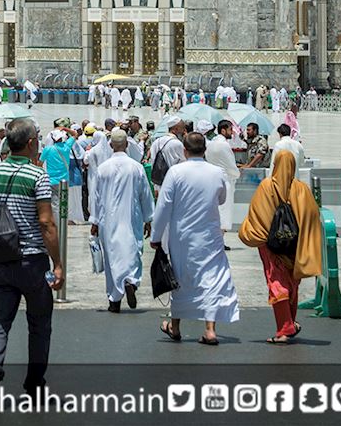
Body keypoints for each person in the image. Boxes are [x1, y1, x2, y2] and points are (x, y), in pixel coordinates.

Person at [0, 118, 61, 395]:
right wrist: (58, 263)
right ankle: (35, 381)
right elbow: (46, 223)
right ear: (31, 143)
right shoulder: (38, 176)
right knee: (39, 324)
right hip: (33, 261)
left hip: (1, 259)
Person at [151, 132, 240, 344]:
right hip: (209, 234)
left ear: (184, 150)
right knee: (212, 278)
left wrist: (156, 236)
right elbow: (222, 198)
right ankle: (210, 329)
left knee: (180, 278)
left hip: (182, 235)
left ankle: (175, 326)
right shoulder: (216, 172)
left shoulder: (176, 172)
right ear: (205, 150)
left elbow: (163, 207)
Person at [238, 149, 321, 343]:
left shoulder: (266, 187)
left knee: (277, 283)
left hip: (271, 247)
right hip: (295, 247)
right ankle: (290, 322)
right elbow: (311, 217)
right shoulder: (301, 189)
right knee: (292, 283)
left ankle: (285, 329)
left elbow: (257, 216)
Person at [89, 127, 153, 312]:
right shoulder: (136, 167)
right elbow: (145, 195)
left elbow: (96, 197)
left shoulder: (103, 169)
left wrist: (94, 221)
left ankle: (114, 299)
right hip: (132, 216)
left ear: (110, 145)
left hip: (108, 219)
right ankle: (131, 281)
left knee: (112, 257)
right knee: (133, 251)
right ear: (126, 144)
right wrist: (149, 218)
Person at [205, 119, 240, 237]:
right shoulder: (224, 145)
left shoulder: (210, 144)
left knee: (215, 212)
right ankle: (219, 240)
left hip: (211, 180)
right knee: (224, 213)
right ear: (223, 130)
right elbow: (231, 166)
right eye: (230, 130)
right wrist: (237, 173)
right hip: (225, 181)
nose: (232, 132)